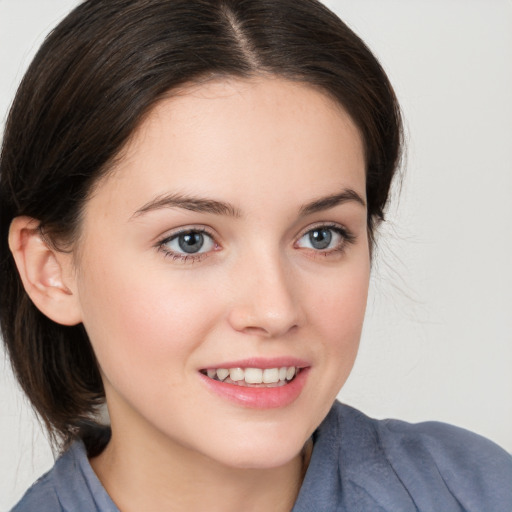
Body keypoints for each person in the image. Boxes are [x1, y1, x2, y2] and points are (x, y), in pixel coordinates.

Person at [1, 0, 511, 510]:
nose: (275, 310)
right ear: (51, 272)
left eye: (321, 236)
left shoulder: (476, 491)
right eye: (190, 240)